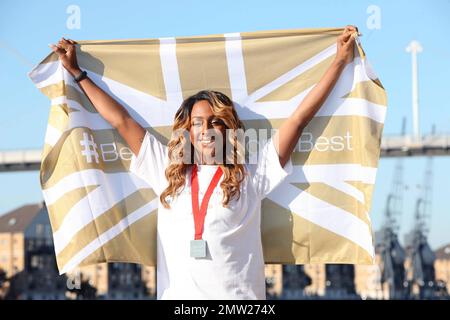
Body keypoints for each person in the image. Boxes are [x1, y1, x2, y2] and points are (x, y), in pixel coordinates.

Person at [50, 25, 358, 299]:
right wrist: (77, 73)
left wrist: (339, 62)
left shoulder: (251, 176)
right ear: (187, 130)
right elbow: (121, 120)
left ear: (228, 127)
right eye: (197, 123)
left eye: (215, 121)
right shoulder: (165, 172)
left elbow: (299, 119)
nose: (206, 130)